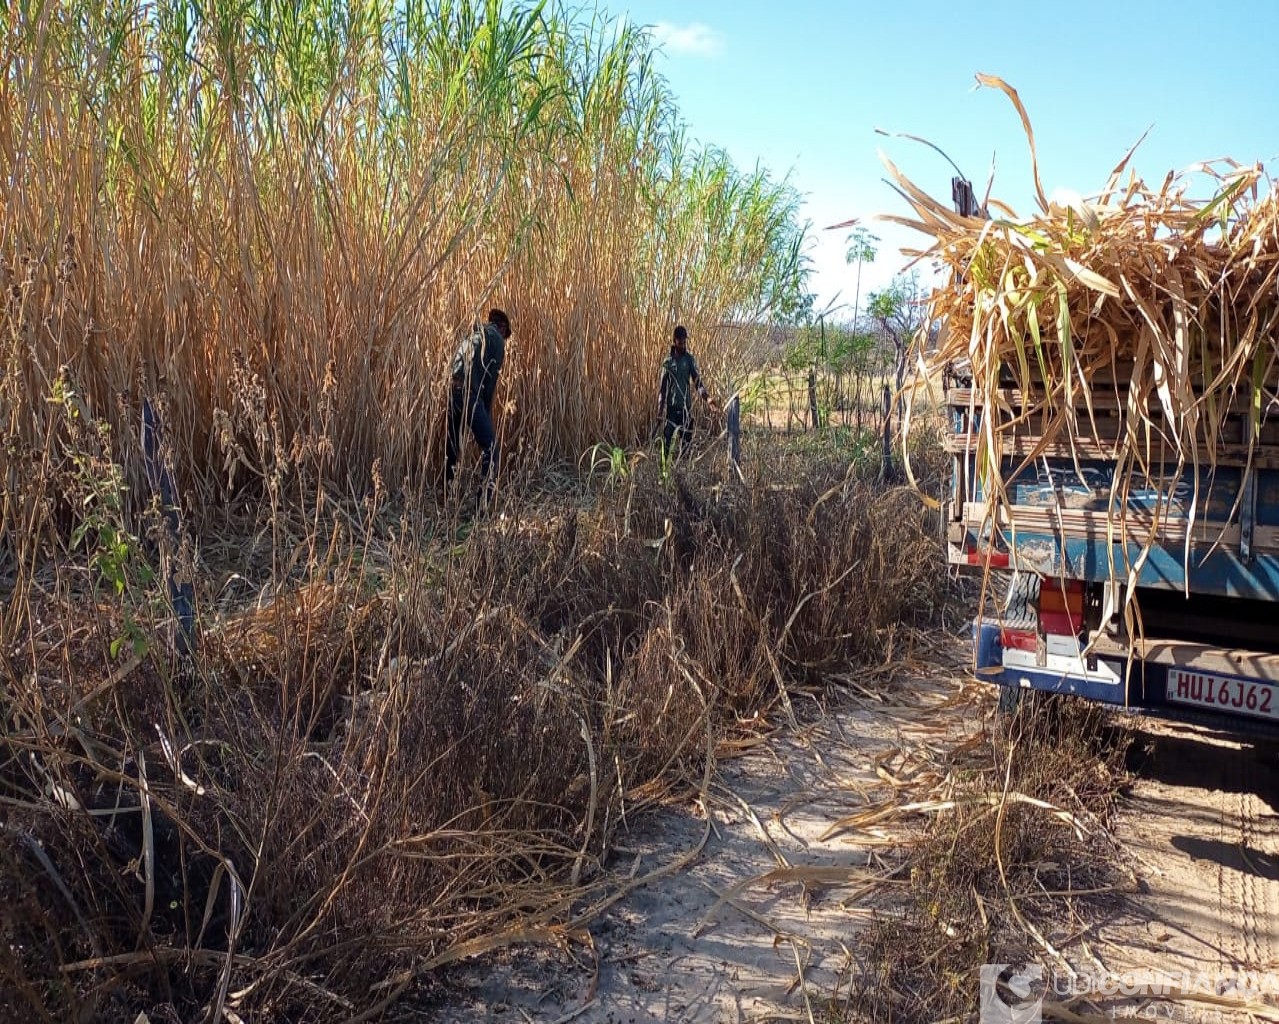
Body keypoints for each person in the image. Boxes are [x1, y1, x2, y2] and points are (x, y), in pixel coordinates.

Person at [445, 308, 511, 506]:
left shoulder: (474, 333)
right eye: (506, 336)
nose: (505, 341)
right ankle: (483, 506)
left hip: (452, 390)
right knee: (491, 448)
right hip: (469, 394)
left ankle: (447, 497)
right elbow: (488, 387)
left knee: (452, 446)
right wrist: (486, 420)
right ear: (503, 328)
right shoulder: (497, 341)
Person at [657, 324, 713, 457]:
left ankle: (684, 473)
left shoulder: (689, 360)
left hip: (685, 409)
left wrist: (707, 398)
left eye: (684, 342)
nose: (683, 345)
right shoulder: (668, 362)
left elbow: (697, 382)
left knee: (686, 445)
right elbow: (662, 389)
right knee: (667, 443)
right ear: (674, 341)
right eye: (680, 342)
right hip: (671, 409)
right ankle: (666, 472)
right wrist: (659, 411)